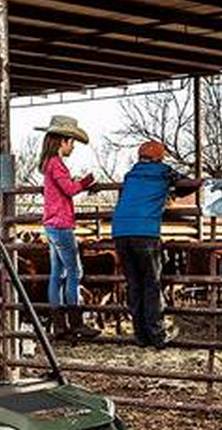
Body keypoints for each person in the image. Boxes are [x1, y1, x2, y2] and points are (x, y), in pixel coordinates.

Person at [112, 140, 201, 349]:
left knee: (134, 284)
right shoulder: (164, 172)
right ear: (159, 158)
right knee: (152, 284)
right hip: (145, 231)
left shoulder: (130, 175)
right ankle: (157, 334)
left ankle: (140, 335)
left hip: (120, 232)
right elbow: (190, 185)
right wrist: (172, 192)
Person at [36, 114, 99, 340]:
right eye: (71, 142)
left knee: (58, 273)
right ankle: (75, 323)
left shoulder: (48, 165)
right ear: (62, 141)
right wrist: (85, 182)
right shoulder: (57, 164)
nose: (72, 146)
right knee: (74, 272)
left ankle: (60, 325)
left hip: (52, 224)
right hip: (61, 224)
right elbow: (70, 190)